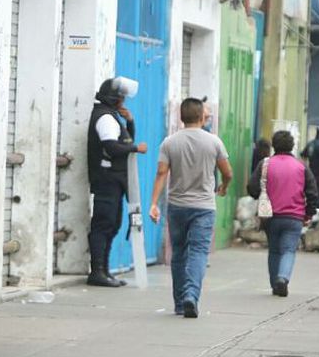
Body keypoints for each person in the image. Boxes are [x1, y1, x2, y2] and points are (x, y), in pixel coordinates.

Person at [148, 98, 232, 318]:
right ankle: (191, 296)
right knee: (198, 252)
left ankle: (179, 303)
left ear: (181, 117)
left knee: (179, 253)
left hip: (177, 206)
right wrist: (224, 186)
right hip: (204, 206)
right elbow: (228, 172)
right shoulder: (214, 142)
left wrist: (154, 203)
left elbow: (161, 173)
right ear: (202, 117)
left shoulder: (169, 142)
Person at [86, 77, 147, 287]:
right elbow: (112, 147)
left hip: (115, 180)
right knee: (103, 224)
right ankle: (97, 272)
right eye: (121, 98)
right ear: (113, 99)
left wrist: (130, 121)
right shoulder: (105, 118)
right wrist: (135, 148)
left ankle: (104, 271)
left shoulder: (112, 116)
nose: (124, 102)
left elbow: (125, 140)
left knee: (112, 224)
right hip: (107, 179)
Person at [248, 130, 319, 297]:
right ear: (292, 146)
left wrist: (262, 194)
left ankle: (275, 284)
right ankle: (283, 278)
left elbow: (252, 188)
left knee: (274, 250)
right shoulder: (301, 166)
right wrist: (308, 214)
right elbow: (312, 193)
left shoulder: (265, 164)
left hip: (270, 216)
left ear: (274, 145)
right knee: (288, 250)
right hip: (294, 217)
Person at [300, 125, 319, 208]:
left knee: (311, 193)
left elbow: (303, 155)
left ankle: (312, 208)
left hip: (310, 173)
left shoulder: (310, 144)